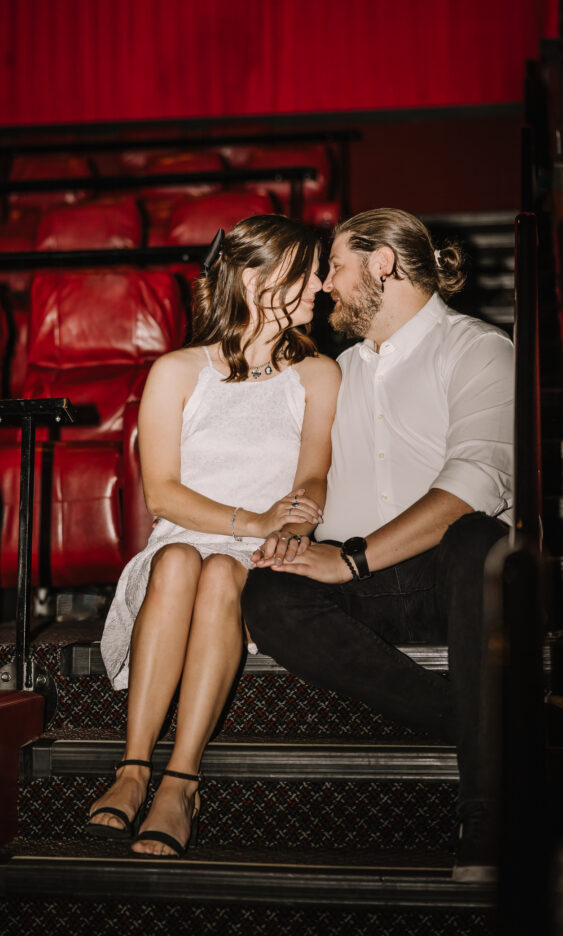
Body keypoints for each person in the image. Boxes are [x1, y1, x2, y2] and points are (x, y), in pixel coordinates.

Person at [242, 207, 513, 881]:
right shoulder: (337, 372)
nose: (326, 285)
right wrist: (297, 528)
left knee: (481, 542)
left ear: (383, 263)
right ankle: (472, 719)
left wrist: (351, 557)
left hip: (448, 573)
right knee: (268, 592)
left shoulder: (479, 348)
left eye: (334, 266)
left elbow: (474, 479)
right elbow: (315, 477)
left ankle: (487, 813)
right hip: (360, 582)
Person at [89, 214, 340, 857]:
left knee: (225, 572)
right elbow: (161, 493)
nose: (321, 286)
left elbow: (312, 476)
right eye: (307, 272)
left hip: (256, 556)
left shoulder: (317, 375)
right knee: (176, 560)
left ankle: (180, 781)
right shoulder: (176, 371)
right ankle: (132, 766)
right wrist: (251, 519)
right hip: (184, 539)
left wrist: (293, 522)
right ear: (257, 277)